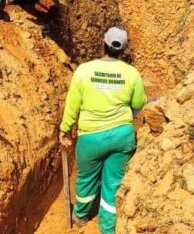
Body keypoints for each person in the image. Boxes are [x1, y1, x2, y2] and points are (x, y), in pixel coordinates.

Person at [58, 26, 147, 234]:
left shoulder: (84, 71)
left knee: (87, 179)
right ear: (123, 50)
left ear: (102, 43)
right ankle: (107, 227)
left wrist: (65, 129)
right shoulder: (131, 73)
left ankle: (80, 217)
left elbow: (72, 105)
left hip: (91, 138)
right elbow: (138, 102)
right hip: (122, 136)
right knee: (114, 182)